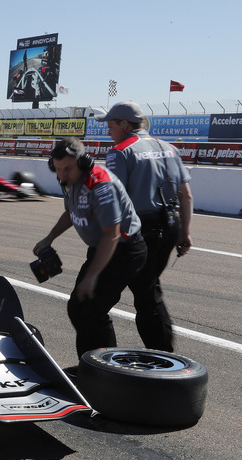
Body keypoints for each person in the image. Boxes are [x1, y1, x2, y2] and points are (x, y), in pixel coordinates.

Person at [33, 138, 147, 360]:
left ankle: (108, 369)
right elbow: (70, 213)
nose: (62, 175)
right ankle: (89, 365)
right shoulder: (67, 181)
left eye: (67, 169)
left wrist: (91, 277)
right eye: (57, 170)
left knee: (93, 311)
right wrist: (50, 238)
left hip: (125, 251)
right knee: (77, 308)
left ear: (84, 163)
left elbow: (112, 234)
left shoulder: (101, 185)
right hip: (101, 249)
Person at [96, 101, 193, 352]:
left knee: (143, 295)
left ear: (123, 125)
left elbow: (115, 197)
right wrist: (184, 233)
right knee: (148, 289)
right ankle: (163, 357)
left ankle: (163, 359)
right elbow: (187, 196)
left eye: (110, 125)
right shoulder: (169, 148)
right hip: (170, 225)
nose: (108, 131)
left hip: (141, 231)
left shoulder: (120, 151)